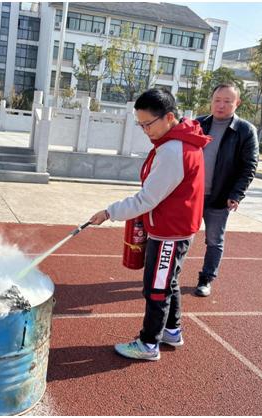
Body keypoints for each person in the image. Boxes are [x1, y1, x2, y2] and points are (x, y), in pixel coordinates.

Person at [89, 88, 211, 361]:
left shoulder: (173, 150)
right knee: (169, 282)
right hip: (173, 227)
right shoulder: (180, 141)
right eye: (140, 124)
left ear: (169, 117)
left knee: (156, 288)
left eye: (148, 124)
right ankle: (171, 330)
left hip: (170, 232)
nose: (144, 130)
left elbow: (147, 198)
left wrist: (108, 212)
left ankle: (148, 344)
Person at [194, 83, 259, 297]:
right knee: (181, 236)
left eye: (227, 101)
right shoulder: (198, 124)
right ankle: (171, 275)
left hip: (220, 197)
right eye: (217, 100)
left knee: (214, 240)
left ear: (237, 103)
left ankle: (206, 279)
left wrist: (236, 194)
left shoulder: (245, 130)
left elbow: (249, 166)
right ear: (211, 101)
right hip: (191, 196)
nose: (221, 105)